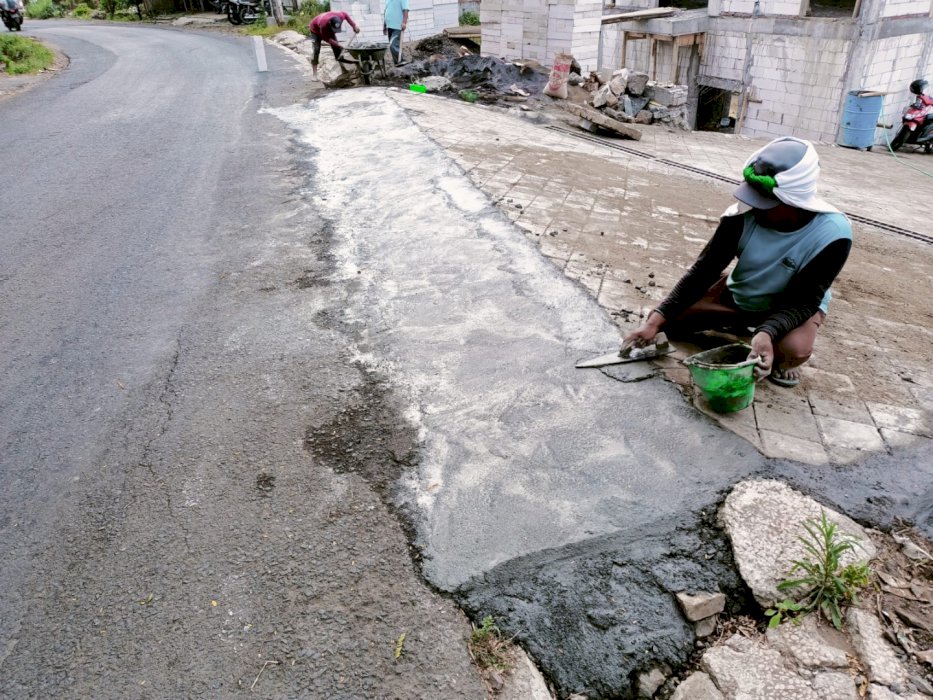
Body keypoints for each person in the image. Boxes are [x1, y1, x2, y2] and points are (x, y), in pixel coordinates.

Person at [623, 137, 852, 388]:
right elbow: (703, 271)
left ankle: (773, 348)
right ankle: (746, 327)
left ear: (795, 202)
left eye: (766, 203)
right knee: (670, 323)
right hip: (744, 294)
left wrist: (768, 331)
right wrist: (654, 322)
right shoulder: (741, 215)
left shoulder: (833, 234)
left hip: (792, 304)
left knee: (793, 350)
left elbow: (805, 300)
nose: (756, 207)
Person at [309, 11, 360, 80]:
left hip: (327, 29)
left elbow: (345, 14)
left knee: (337, 50)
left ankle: (343, 69)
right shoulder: (323, 24)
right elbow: (327, 38)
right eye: (335, 30)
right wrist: (339, 44)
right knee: (316, 50)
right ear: (330, 24)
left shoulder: (340, 16)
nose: (336, 31)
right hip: (315, 31)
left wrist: (354, 26)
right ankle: (314, 75)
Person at [383, 0, 409, 66]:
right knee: (393, 45)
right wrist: (384, 25)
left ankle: (401, 60)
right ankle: (397, 63)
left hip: (397, 26)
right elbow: (386, 13)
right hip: (389, 27)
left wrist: (404, 22)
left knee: (393, 44)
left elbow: (405, 11)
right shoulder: (387, 1)